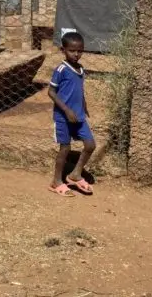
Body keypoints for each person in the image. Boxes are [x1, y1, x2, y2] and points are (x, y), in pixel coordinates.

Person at [47, 31, 103, 197]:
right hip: (64, 117)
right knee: (65, 148)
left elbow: (79, 90)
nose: (76, 54)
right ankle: (56, 181)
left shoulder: (80, 69)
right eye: (72, 50)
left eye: (80, 50)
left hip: (78, 116)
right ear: (63, 50)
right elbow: (51, 92)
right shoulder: (61, 69)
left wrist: (83, 106)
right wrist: (66, 110)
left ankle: (75, 174)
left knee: (90, 145)